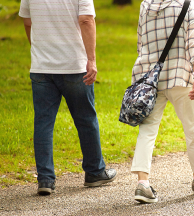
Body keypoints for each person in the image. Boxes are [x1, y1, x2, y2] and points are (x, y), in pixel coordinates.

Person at [19, 0, 117, 195]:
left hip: (41, 67)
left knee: (43, 123)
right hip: (74, 65)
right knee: (86, 119)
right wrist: (91, 60)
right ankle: (95, 172)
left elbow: (28, 22)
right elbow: (86, 20)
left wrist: (39, 51)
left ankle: (45, 179)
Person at [131, 0, 194, 203]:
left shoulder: (145, 5)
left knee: (147, 130)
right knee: (193, 128)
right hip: (181, 76)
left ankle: (142, 184)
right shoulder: (186, 4)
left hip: (151, 80)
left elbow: (141, 44)